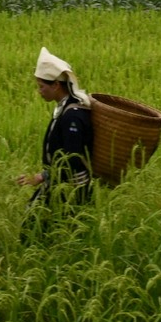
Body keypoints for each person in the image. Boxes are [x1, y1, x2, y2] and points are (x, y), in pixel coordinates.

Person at [15, 46, 94, 241]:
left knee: (36, 233)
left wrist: (41, 177)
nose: (39, 91)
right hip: (61, 185)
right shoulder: (65, 109)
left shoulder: (72, 117)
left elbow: (71, 160)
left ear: (56, 86)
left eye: (42, 86)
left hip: (69, 191)